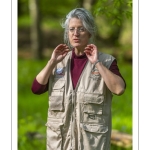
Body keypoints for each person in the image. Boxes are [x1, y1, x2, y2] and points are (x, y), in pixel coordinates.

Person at [31, 8, 126, 150]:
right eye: (71, 29)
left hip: (92, 144)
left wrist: (97, 63)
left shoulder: (106, 61)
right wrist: (52, 62)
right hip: (60, 143)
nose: (75, 34)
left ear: (89, 32)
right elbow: (36, 89)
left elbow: (119, 89)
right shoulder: (59, 61)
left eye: (81, 29)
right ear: (67, 33)